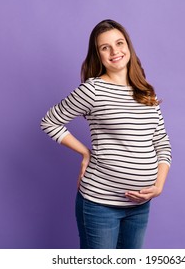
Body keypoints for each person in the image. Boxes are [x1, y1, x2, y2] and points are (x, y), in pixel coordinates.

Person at [41, 19, 172, 249]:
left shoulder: (145, 92)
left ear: (128, 47)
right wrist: (85, 153)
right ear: (98, 55)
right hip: (100, 205)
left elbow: (162, 143)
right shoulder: (92, 90)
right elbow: (50, 121)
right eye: (105, 47)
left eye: (119, 43)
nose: (115, 51)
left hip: (140, 207)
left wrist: (159, 185)